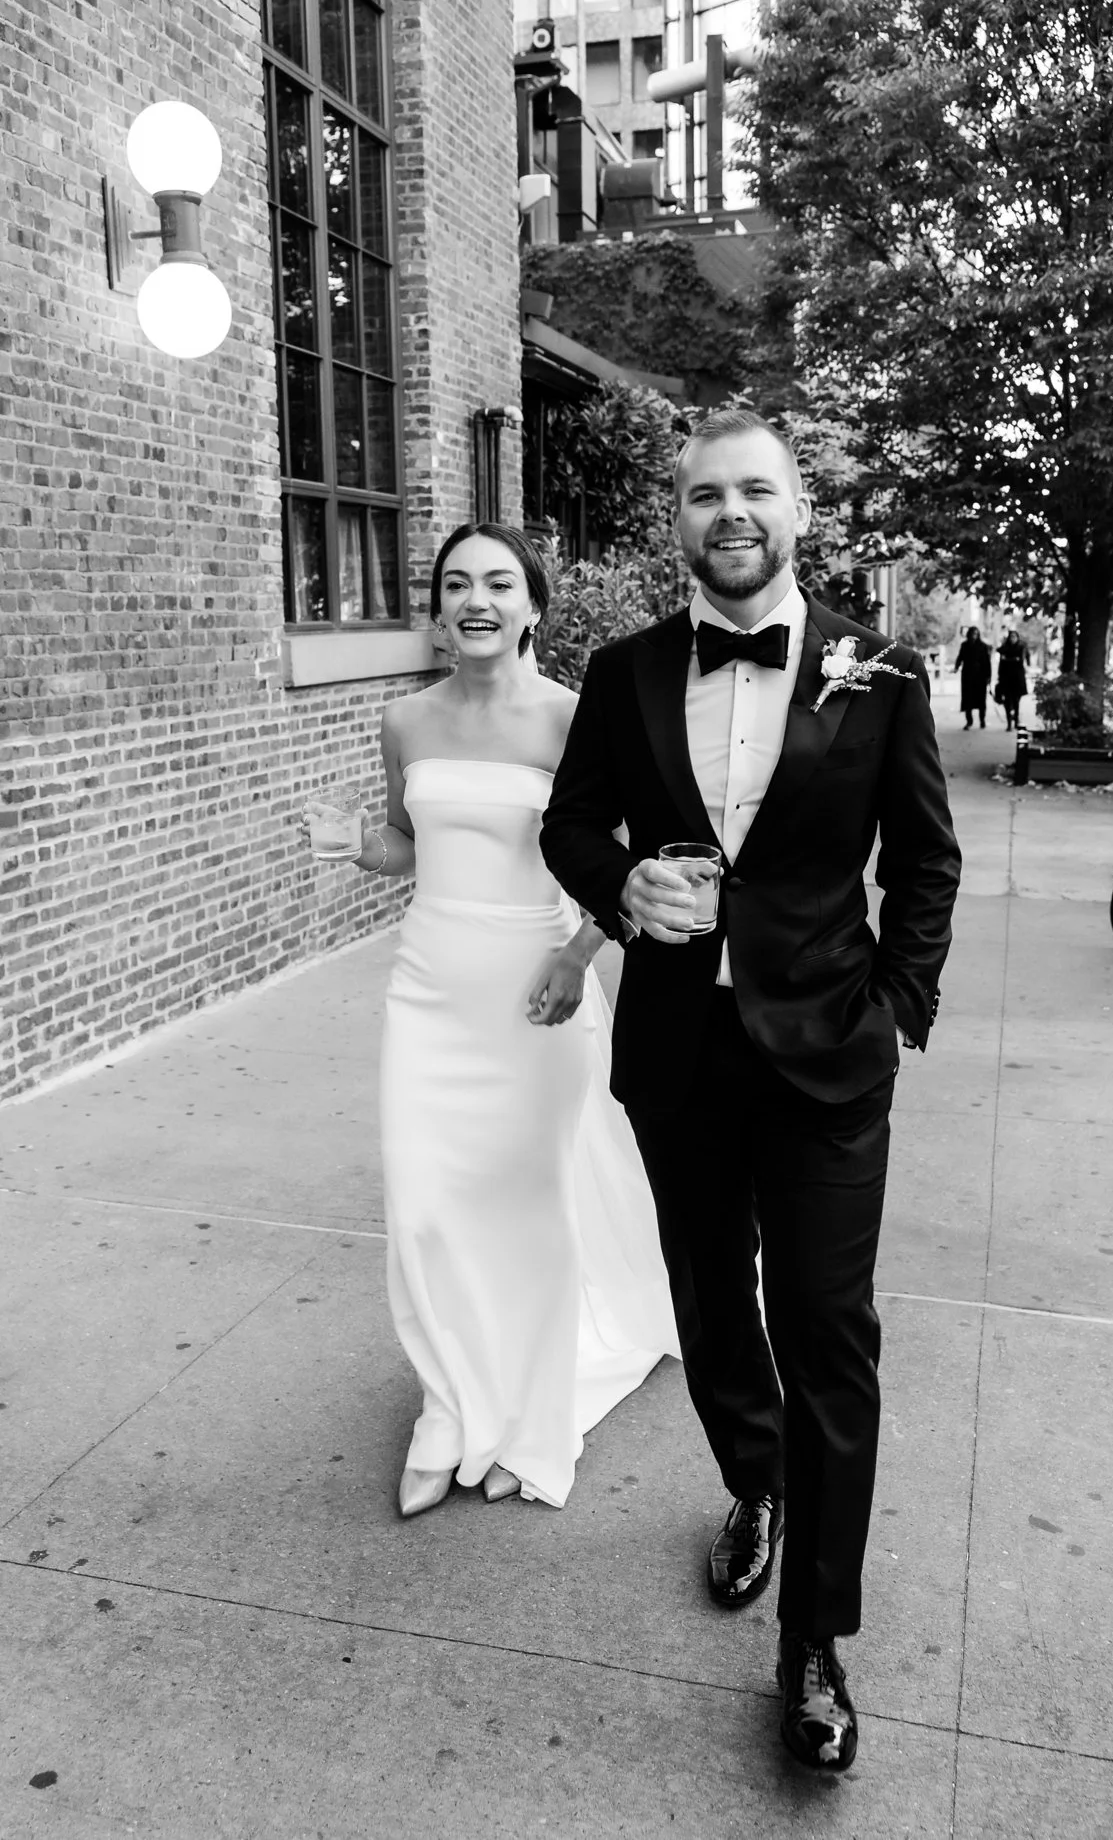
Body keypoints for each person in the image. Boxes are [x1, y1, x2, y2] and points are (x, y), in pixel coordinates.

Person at [540, 407, 960, 1774]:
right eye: (706, 494)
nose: (732, 513)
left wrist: (899, 1005)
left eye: (756, 491)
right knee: (713, 1299)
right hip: (677, 1048)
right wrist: (621, 886)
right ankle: (754, 1480)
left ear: (798, 508)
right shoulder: (623, 670)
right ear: (678, 518)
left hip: (829, 1050)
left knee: (830, 1327)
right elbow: (569, 822)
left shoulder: (882, 671)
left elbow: (927, 859)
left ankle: (815, 1644)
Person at [307, 522, 678, 1521]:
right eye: (457, 583)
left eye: (499, 583)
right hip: (430, 988)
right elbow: (407, 844)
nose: (477, 599)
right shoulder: (404, 718)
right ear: (436, 607)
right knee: (426, 1202)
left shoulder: (573, 719)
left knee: (525, 1204)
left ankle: (527, 1405)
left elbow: (630, 862)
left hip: (538, 987)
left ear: (532, 605)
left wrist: (575, 957)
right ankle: (448, 1400)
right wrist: (357, 846)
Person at [952, 624, 992, 729]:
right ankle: (969, 721)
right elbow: (960, 657)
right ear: (969, 634)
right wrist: (956, 667)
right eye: (973, 633)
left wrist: (988, 677)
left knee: (981, 699)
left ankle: (982, 720)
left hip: (980, 676)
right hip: (968, 675)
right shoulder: (964, 645)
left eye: (976, 634)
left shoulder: (983, 646)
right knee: (968, 699)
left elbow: (987, 662)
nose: (974, 635)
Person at [994, 627, 1029, 729]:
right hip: (1006, 679)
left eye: (1014, 637)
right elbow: (1002, 662)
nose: (1013, 639)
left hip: (1017, 679)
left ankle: (1016, 720)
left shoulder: (1021, 647)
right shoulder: (1005, 648)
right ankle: (1009, 722)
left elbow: (1020, 660)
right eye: (1011, 637)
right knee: (1007, 701)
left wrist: (1009, 659)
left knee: (1016, 700)